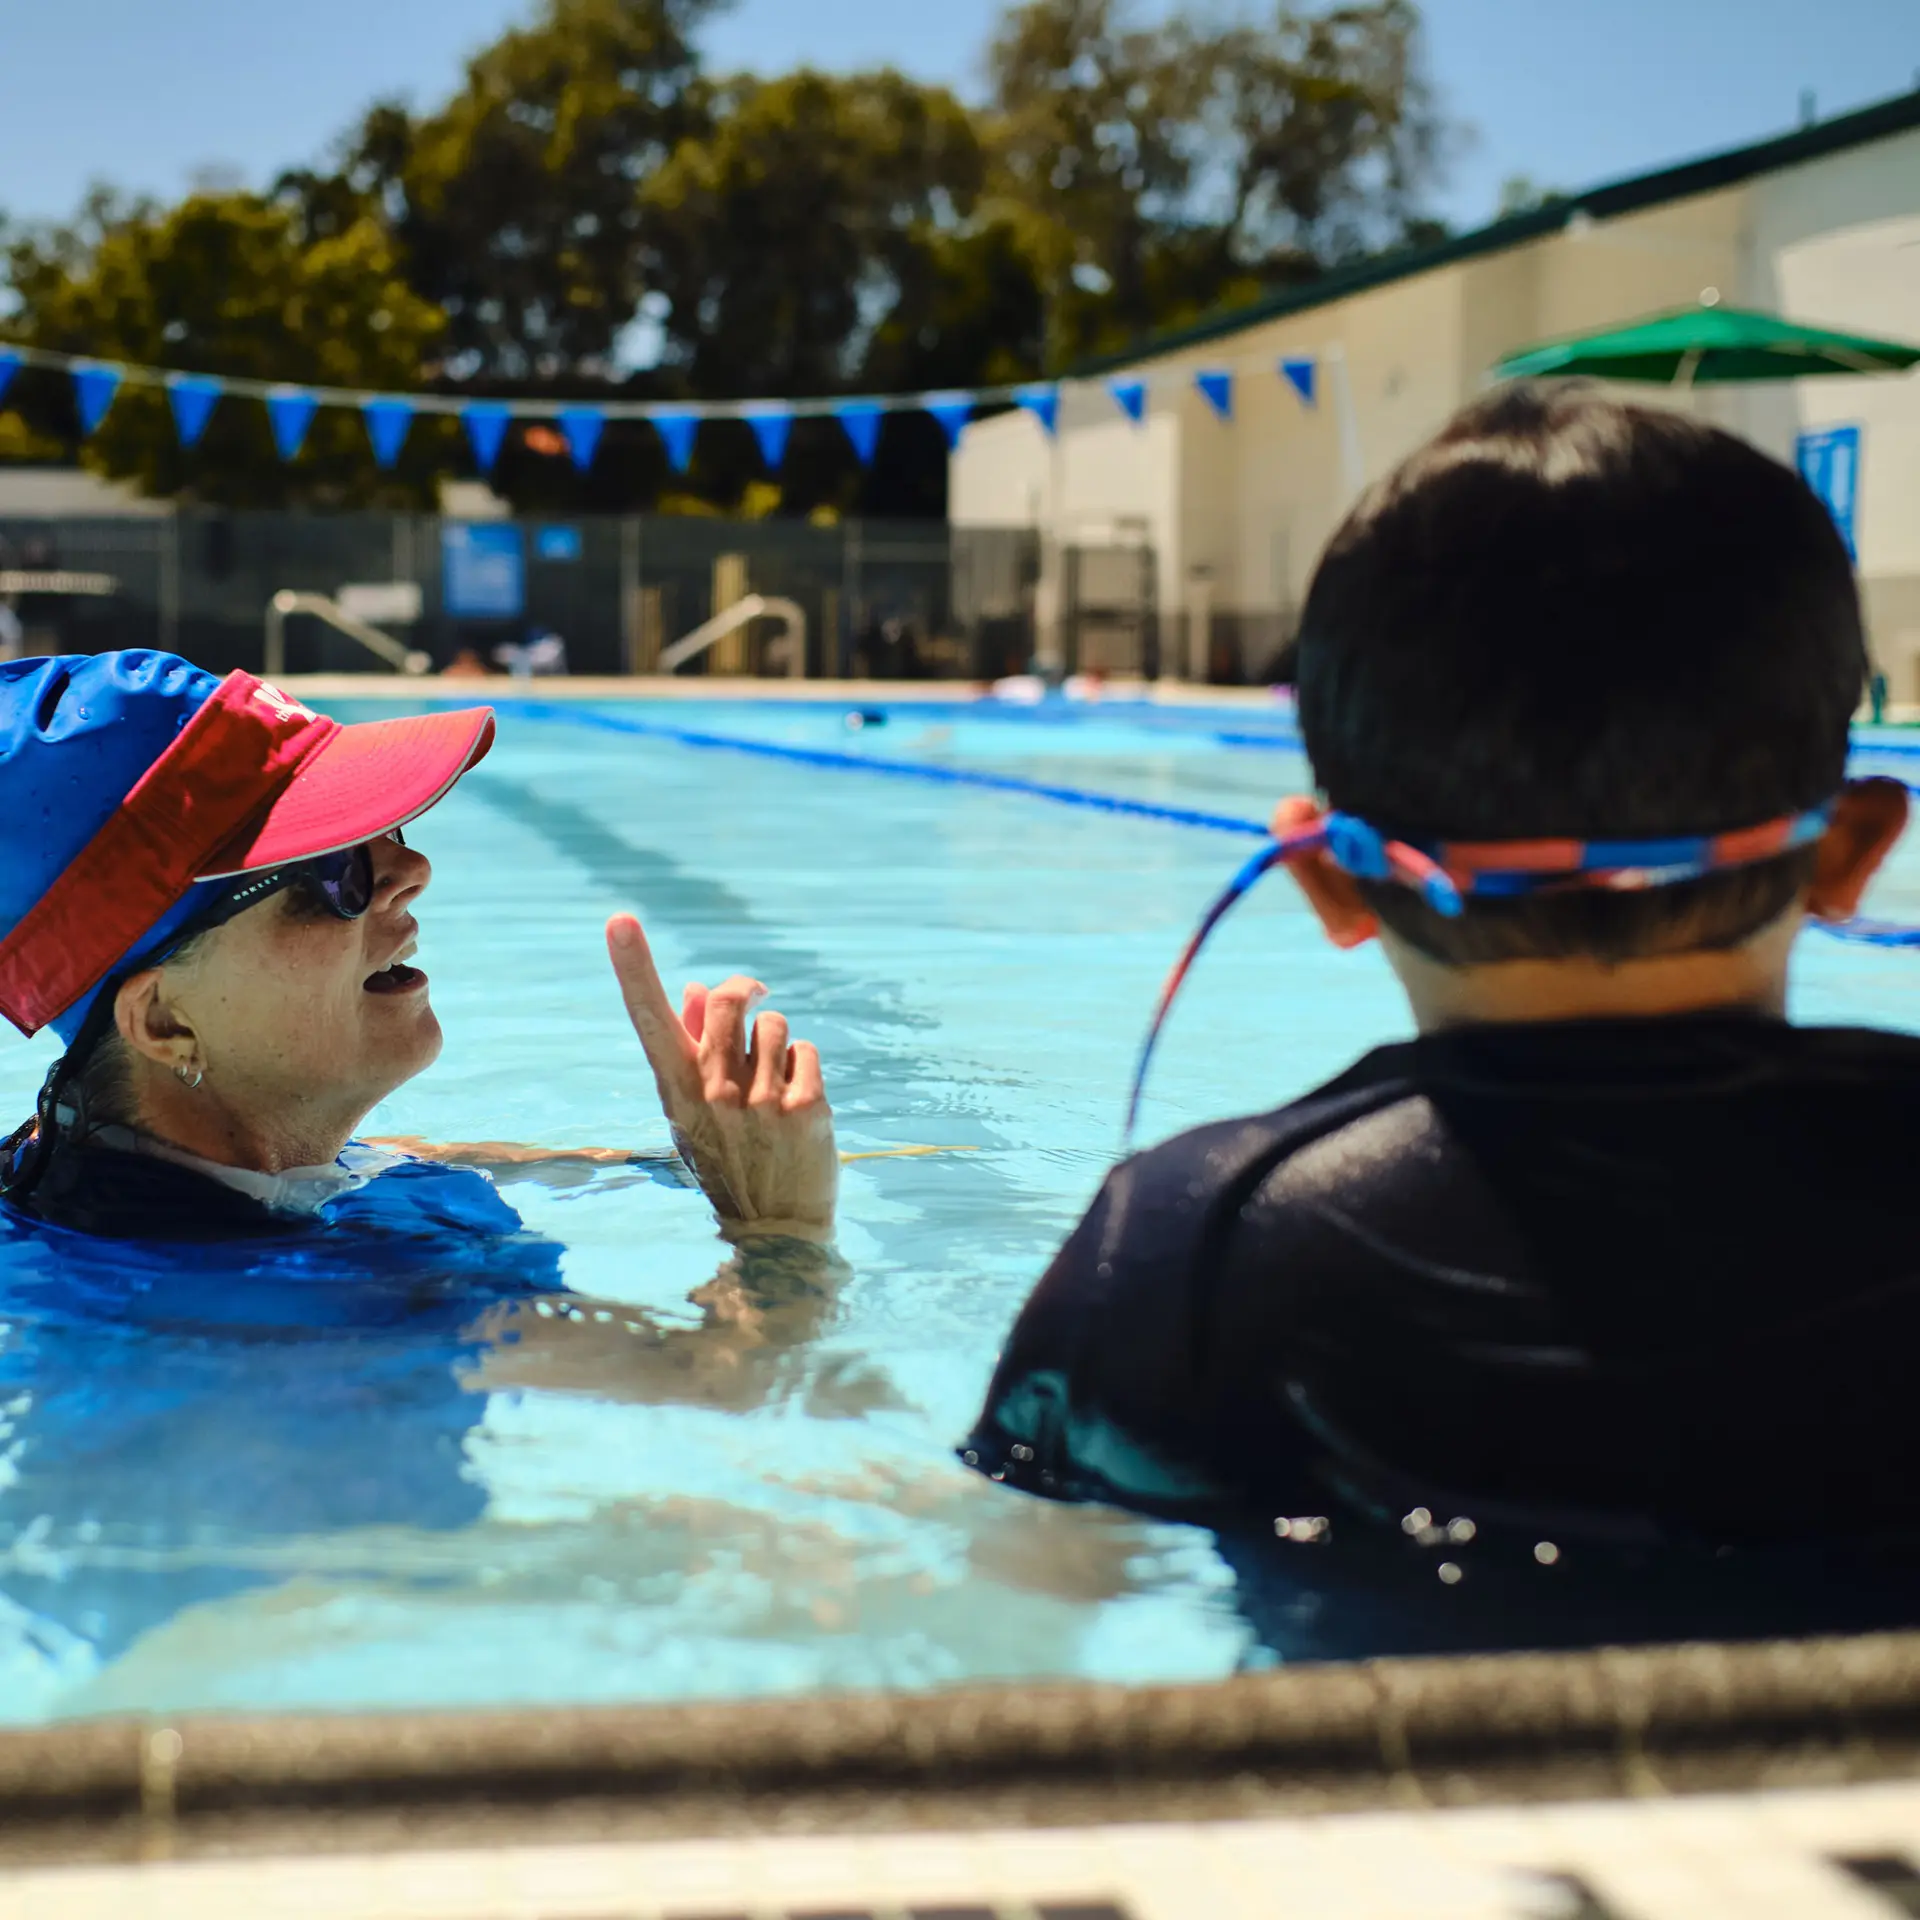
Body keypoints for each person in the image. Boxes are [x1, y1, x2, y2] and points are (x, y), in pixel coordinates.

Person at [963, 386, 1920, 1633]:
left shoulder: (1181, 1261)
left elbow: (1007, 1647)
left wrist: (778, 1257)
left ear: (1326, 874)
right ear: (1856, 847)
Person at [0, 650, 837, 1248]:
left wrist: (700, 1153)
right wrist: (779, 1231)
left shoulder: (94, 1165)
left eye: (380, 828)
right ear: (163, 1022)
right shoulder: (265, 1324)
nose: (411, 870)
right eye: (330, 869)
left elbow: (388, 1164)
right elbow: (745, 1407)